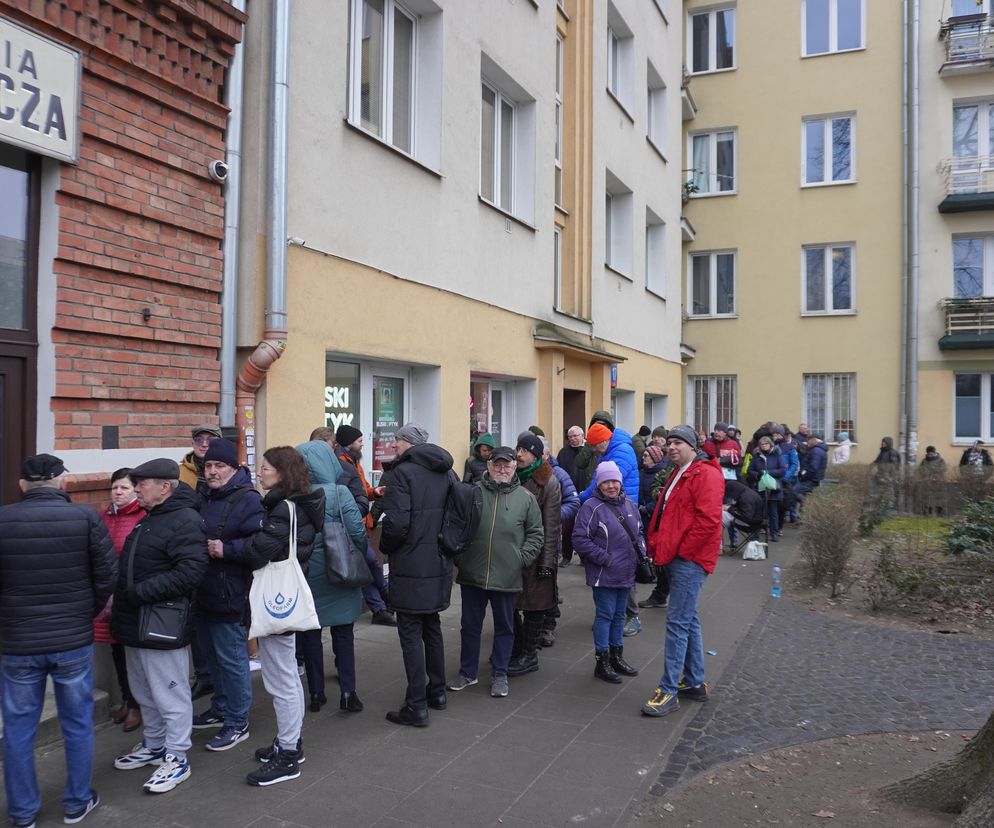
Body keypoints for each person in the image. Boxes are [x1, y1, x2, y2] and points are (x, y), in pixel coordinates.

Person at [0, 454, 116, 827]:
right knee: (77, 723)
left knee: (17, 729)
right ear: (62, 482)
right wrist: (86, 614)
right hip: (72, 639)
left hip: (17, 643)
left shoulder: (3, 520)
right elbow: (106, 576)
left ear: (22, 486)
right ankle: (77, 802)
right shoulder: (84, 517)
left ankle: (22, 813)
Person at [111, 458, 208, 795]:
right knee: (144, 692)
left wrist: (139, 593)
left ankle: (177, 756)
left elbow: (190, 572)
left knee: (170, 694)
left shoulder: (184, 520)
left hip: (161, 625)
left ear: (165, 486)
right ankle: (153, 745)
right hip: (134, 623)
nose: (136, 487)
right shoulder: (151, 517)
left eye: (142, 482)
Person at [242, 446, 325, 786]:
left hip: (278, 601)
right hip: (286, 598)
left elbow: (260, 551)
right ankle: (290, 742)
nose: (259, 472)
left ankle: (289, 754)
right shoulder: (293, 506)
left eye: (264, 467)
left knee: (281, 679)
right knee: (285, 673)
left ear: (281, 473)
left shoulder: (283, 510)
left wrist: (234, 547)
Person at [447, 446, 543, 699]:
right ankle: (468, 672)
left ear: (514, 469)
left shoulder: (525, 498)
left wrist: (520, 559)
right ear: (488, 466)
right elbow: (456, 526)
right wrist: (460, 557)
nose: (502, 469)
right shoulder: (473, 492)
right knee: (469, 626)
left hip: (507, 575)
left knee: (504, 627)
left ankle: (500, 673)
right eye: (497, 465)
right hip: (472, 573)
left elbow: (536, 533)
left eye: (507, 466)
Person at [640, 426, 723, 717]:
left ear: (692, 446)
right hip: (679, 557)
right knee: (689, 619)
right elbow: (669, 513)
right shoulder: (681, 471)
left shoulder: (706, 474)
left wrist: (684, 552)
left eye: (677, 443)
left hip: (689, 560)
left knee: (677, 622)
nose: (671, 447)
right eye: (670, 443)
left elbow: (709, 521)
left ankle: (669, 689)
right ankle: (695, 682)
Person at [379, 423, 455, 727]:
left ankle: (416, 705)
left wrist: (385, 546)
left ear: (408, 443)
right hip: (438, 561)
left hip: (410, 564)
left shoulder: (402, 473)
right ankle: (437, 692)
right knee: (431, 627)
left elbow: (396, 524)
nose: (393, 446)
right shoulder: (446, 471)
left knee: (410, 633)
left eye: (396, 441)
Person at [192, 438, 264, 752]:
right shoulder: (203, 496)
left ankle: (237, 720)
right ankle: (220, 708)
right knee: (212, 658)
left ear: (234, 468)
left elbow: (261, 547)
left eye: (219, 465)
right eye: (208, 465)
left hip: (231, 593)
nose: (212, 471)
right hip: (203, 591)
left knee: (233, 660)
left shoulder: (248, 500)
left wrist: (227, 549)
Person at [296, 439, 367, 714]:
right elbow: (358, 534)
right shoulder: (340, 493)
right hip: (340, 571)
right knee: (344, 633)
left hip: (309, 574)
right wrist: (356, 555)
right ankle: (348, 692)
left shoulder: (294, 494)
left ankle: (316, 693)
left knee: (311, 635)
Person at [571, 461, 641, 684]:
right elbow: (579, 539)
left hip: (626, 572)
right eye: (606, 482)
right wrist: (604, 558)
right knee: (605, 616)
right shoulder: (591, 507)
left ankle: (616, 656)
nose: (611, 486)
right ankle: (602, 661)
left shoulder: (629, 504)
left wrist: (642, 552)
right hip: (605, 573)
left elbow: (639, 533)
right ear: (599, 485)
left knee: (620, 616)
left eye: (615, 481)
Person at [507, 432, 561, 677]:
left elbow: (552, 526)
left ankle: (529, 654)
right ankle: (516, 649)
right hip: (512, 553)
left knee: (534, 608)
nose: (519, 454)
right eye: (518, 449)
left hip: (537, 554)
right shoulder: (511, 476)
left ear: (536, 456)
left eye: (525, 451)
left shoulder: (548, 482)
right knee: (510, 605)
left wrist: (548, 563)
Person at [97, 468, 146, 735]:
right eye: (115, 487)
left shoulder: (142, 516)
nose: (118, 492)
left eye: (124, 488)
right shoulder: (104, 516)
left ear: (135, 490)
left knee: (133, 656)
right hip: (109, 597)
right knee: (117, 652)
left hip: (131, 596)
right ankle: (128, 701)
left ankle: (138, 705)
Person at [333, 424, 395, 627]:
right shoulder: (341, 465)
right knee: (370, 566)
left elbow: (362, 490)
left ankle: (382, 607)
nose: (363, 444)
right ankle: (385, 603)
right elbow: (348, 496)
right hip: (351, 526)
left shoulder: (354, 463)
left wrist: (374, 492)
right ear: (349, 443)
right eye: (359, 441)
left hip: (360, 524)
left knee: (370, 567)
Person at [179, 424, 221, 701]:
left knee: (217, 620)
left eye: (209, 439)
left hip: (218, 554)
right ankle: (203, 676)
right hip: (188, 550)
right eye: (198, 439)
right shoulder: (180, 472)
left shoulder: (227, 470)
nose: (203, 444)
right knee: (193, 619)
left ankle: (219, 676)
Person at [542, 439, 580, 643]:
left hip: (549, 540)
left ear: (546, 455)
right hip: (525, 542)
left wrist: (552, 516)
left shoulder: (559, 474)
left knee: (547, 583)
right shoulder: (520, 473)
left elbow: (573, 502)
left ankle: (548, 626)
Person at [747, 435, 787, 540]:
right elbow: (749, 470)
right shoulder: (757, 456)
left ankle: (774, 533)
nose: (764, 446)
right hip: (760, 487)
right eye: (762, 444)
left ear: (770, 444)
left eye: (766, 444)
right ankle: (756, 533)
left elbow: (783, 470)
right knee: (759, 511)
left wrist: (768, 472)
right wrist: (757, 474)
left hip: (773, 487)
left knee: (773, 512)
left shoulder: (777, 455)